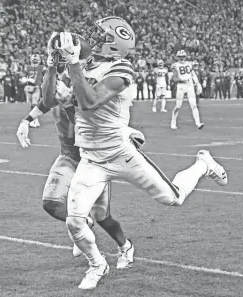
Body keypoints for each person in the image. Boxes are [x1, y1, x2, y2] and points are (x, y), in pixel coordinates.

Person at [50, 18, 228, 290]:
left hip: (122, 154)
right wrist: (57, 66)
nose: (91, 36)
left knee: (174, 198)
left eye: (99, 34)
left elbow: (88, 101)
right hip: (91, 159)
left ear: (113, 43)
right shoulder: (84, 65)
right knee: (74, 223)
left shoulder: (120, 68)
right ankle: (97, 264)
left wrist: (73, 65)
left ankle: (203, 164)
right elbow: (65, 104)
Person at [16, 45, 146, 269]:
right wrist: (26, 120)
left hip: (93, 159)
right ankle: (83, 224)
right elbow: (47, 101)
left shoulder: (88, 87)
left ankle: (125, 246)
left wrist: (67, 103)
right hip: (68, 156)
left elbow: (89, 126)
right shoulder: (66, 77)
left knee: (102, 216)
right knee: (51, 203)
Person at [170, 50, 203, 130]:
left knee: (194, 105)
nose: (182, 58)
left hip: (190, 85)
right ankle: (173, 122)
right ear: (178, 57)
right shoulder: (175, 65)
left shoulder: (189, 64)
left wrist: (198, 83)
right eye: (180, 57)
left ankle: (198, 123)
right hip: (181, 85)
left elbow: (193, 74)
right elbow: (174, 76)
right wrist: (180, 79)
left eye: (183, 56)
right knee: (178, 106)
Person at [24, 53, 45, 127]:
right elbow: (24, 76)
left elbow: (45, 76)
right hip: (29, 86)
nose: (35, 60)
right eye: (34, 59)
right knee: (31, 104)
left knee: (34, 103)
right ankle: (34, 120)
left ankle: (34, 121)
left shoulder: (42, 67)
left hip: (36, 86)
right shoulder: (28, 67)